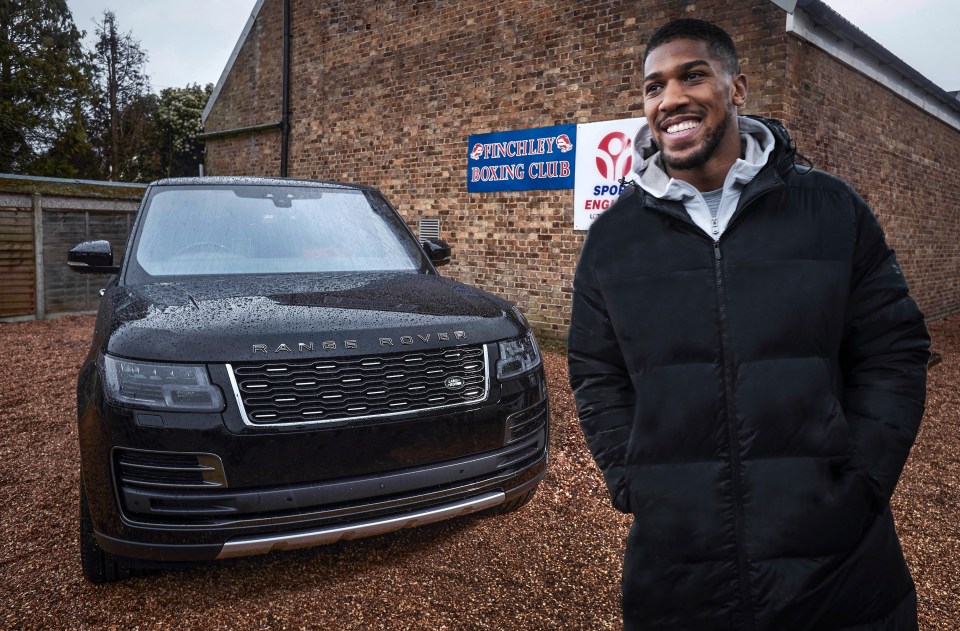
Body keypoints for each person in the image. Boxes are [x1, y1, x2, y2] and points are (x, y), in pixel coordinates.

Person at [567, 18, 930, 630]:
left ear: (737, 89)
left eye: (693, 75)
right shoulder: (613, 240)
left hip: (837, 567)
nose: (671, 98)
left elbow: (893, 348)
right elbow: (596, 371)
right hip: (681, 574)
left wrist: (863, 476)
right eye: (654, 87)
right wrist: (633, 479)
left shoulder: (831, 211)